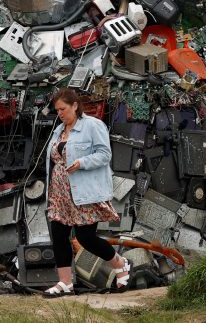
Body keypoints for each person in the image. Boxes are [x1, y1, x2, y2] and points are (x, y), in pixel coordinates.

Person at [44, 88, 129, 295]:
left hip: (83, 191)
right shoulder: (58, 130)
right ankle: (65, 282)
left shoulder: (93, 125)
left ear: (75, 106)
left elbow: (104, 154)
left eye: (63, 109)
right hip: (60, 194)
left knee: (85, 237)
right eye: (57, 110)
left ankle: (120, 263)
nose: (60, 114)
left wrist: (82, 162)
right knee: (59, 234)